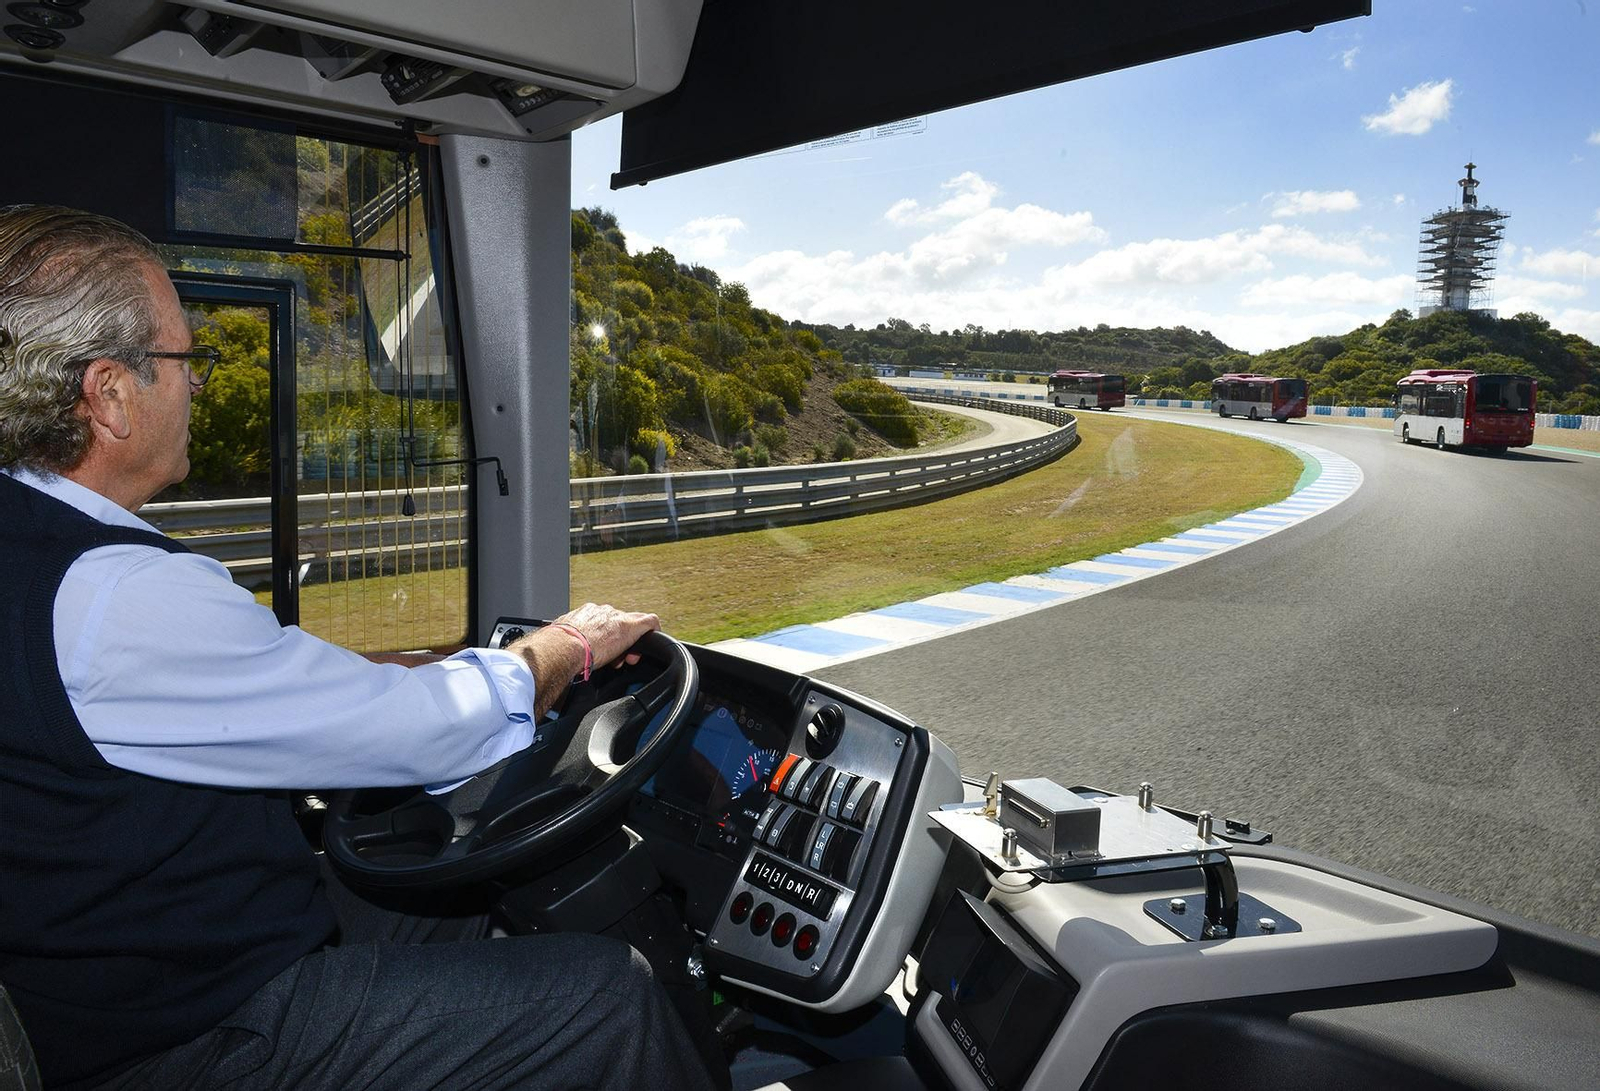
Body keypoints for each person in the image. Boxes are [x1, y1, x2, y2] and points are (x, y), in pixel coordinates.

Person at [0, 205, 715, 1091]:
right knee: (607, 994)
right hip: (195, 1035)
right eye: (188, 360)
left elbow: (226, 685)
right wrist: (566, 644)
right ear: (109, 393)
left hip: (123, 974)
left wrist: (381, 671)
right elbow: (426, 733)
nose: (199, 383)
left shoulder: (34, 550)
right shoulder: (115, 594)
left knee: (454, 896)